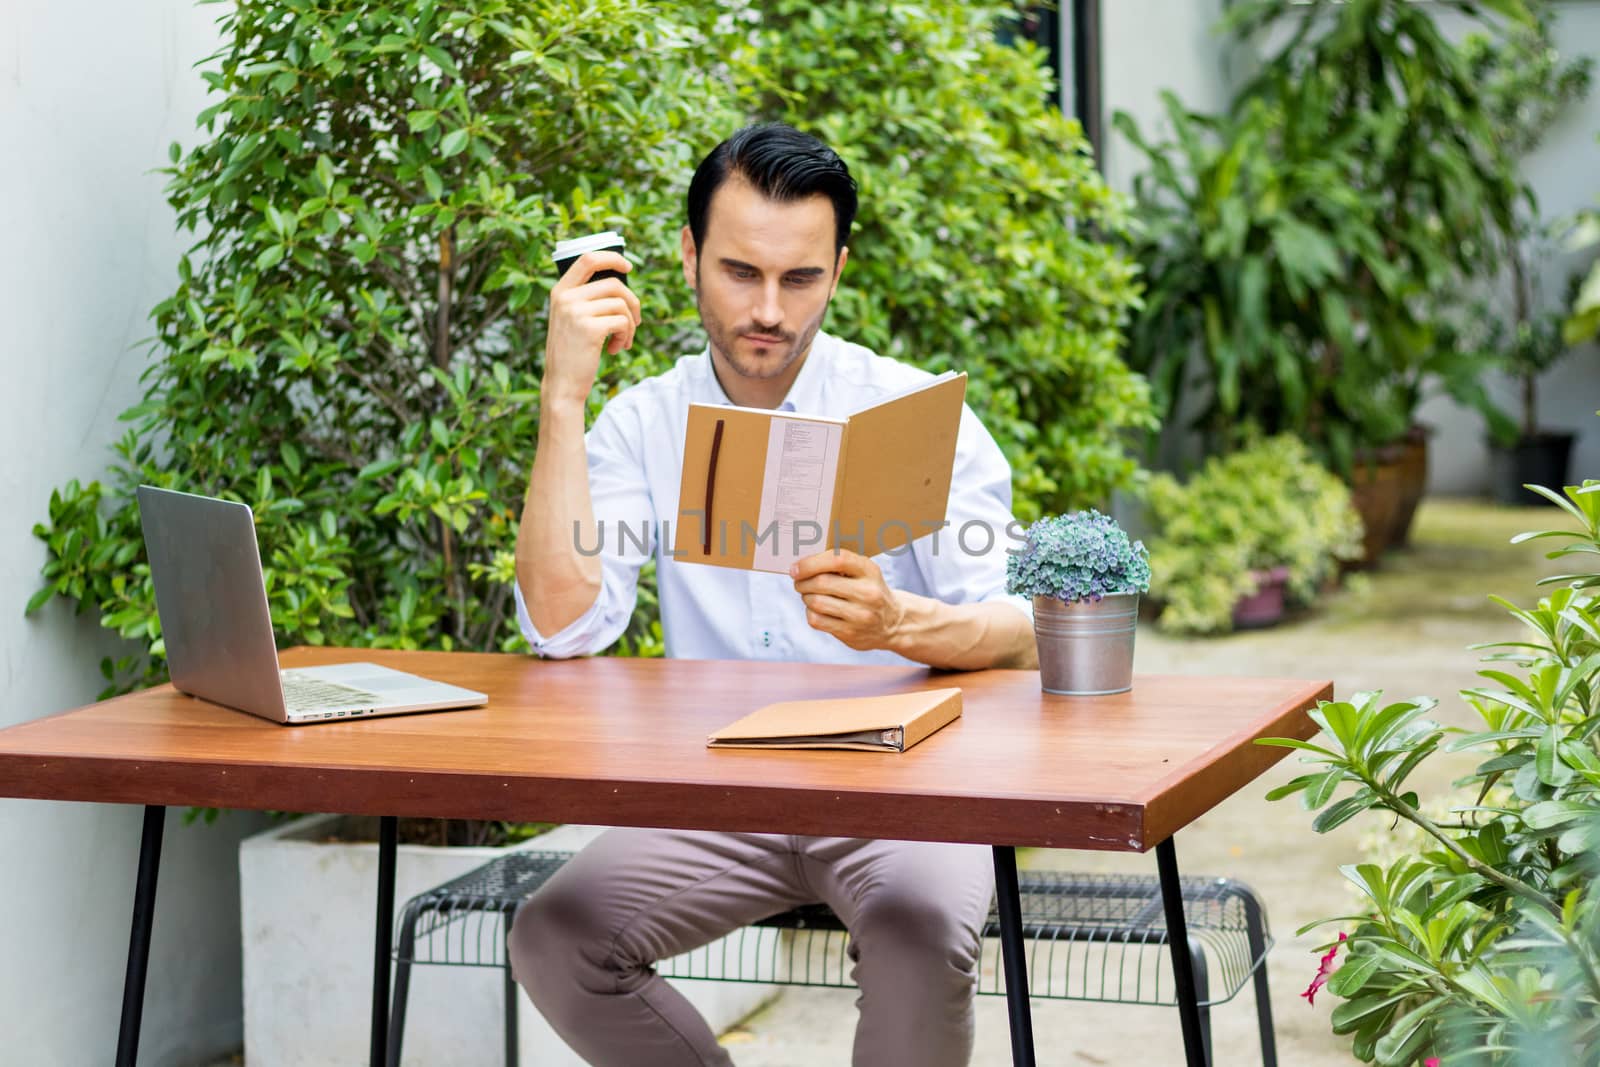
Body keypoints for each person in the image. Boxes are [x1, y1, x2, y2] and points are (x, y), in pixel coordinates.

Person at [509, 122, 1036, 1067]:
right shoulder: (644, 424)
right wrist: (562, 394)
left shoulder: (911, 408)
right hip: (717, 788)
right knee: (556, 936)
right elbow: (562, 626)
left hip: (900, 790)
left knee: (920, 936)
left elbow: (1023, 631)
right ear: (687, 256)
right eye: (738, 272)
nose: (768, 310)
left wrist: (897, 621)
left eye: (800, 280)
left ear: (838, 268)